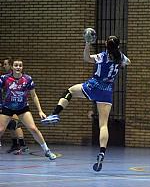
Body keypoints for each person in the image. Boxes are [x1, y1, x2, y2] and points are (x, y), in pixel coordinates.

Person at [41, 35, 131, 171]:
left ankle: (55, 114)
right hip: (107, 91)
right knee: (103, 124)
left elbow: (86, 58)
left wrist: (88, 44)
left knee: (70, 91)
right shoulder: (120, 57)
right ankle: (102, 152)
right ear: (118, 46)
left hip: (94, 86)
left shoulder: (102, 55)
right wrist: (121, 62)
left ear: (106, 45)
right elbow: (128, 62)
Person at [0, 58, 56, 160]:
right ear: (12, 67)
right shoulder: (4, 78)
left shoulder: (27, 79)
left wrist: (40, 110)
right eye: (16, 65)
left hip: (22, 108)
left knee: (33, 129)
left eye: (20, 65)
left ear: (22, 67)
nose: (18, 67)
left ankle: (47, 150)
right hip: (7, 108)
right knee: (1, 130)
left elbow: (34, 96)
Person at [2, 57, 28, 154]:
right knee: (10, 125)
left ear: (10, 65)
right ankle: (15, 144)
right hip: (7, 104)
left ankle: (22, 145)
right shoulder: (5, 77)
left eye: (6, 64)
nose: (4, 66)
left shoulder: (19, 77)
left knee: (15, 123)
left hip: (17, 104)